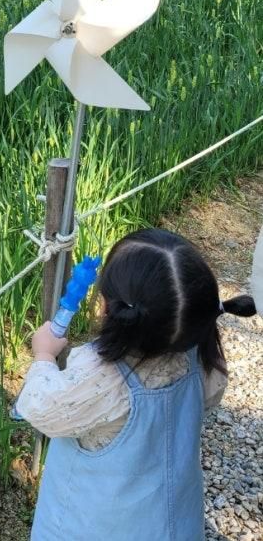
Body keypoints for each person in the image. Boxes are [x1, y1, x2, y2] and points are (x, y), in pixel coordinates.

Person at [16, 228, 256, 541]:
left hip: (96, 528)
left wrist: (44, 355)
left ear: (106, 306)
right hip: (173, 524)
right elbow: (211, 397)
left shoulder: (101, 376)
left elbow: (41, 407)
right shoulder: (201, 355)